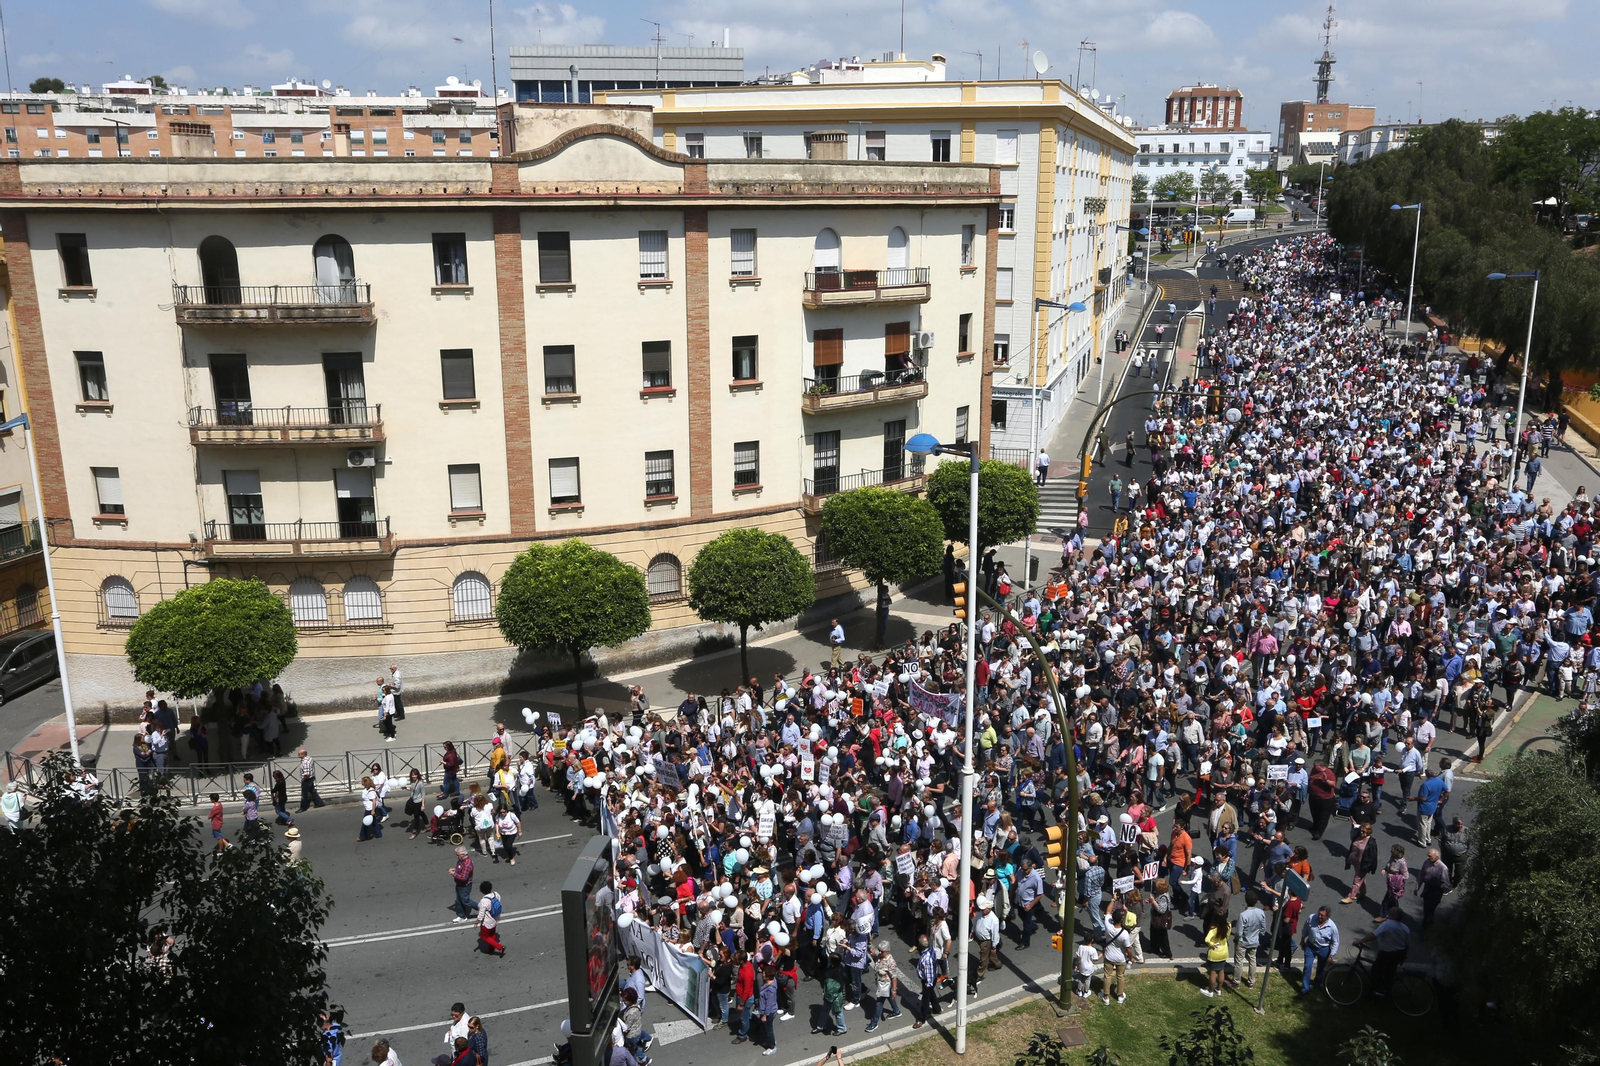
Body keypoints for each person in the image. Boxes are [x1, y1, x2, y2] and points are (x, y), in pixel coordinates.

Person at [1355, 907, 1410, 998]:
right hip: (1399, 954)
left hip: (1387, 955)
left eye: (1389, 913)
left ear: (1392, 916)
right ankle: (1386, 991)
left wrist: (1360, 941)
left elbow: (1373, 935)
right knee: (1389, 974)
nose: (1387, 915)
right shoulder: (1405, 928)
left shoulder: (1387, 925)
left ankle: (1375, 992)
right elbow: (1407, 943)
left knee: (1376, 972)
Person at [1298, 906, 1340, 995]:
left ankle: (1317, 984)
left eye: (1322, 915)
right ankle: (1305, 989)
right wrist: (1302, 940)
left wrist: (1331, 955)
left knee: (1320, 969)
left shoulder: (1332, 927)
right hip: (1310, 947)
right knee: (1307, 967)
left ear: (1327, 917)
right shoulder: (1311, 918)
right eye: (1319, 914)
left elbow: (1335, 942)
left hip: (1324, 949)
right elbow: (1305, 929)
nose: (1319, 916)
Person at [1235, 890, 1269, 987]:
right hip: (1254, 941)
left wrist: (1236, 939)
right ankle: (1251, 982)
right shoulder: (1261, 912)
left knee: (1239, 962)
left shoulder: (1243, 915)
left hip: (1243, 942)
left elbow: (1239, 932)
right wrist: (1258, 934)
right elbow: (1263, 928)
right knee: (1252, 961)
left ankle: (1236, 981)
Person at [912, 934, 940, 1028]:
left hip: (928, 980)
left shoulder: (926, 958)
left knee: (925, 1000)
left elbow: (929, 973)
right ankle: (936, 1009)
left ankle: (921, 1019)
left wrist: (928, 985)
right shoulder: (931, 950)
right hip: (933, 978)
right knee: (931, 993)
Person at [1101, 920, 1132, 1005]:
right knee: (1120, 976)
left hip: (1109, 957)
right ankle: (1120, 996)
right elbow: (1128, 948)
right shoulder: (1125, 933)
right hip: (1121, 958)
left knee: (1107, 975)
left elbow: (1108, 911)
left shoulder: (1108, 927)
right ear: (1121, 920)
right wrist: (1130, 957)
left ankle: (1106, 997)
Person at [1202, 916, 1231, 997]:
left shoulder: (1214, 930)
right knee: (1221, 971)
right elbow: (1227, 936)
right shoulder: (1228, 926)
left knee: (1213, 972)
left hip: (1215, 953)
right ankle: (1219, 989)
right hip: (1224, 952)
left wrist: (1212, 944)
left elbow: (1207, 939)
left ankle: (1210, 991)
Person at [477, 880, 506, 957]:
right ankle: (491, 950)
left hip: (487, 923)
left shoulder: (484, 901)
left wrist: (476, 922)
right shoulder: (496, 894)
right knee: (492, 934)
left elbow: (481, 915)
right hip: (495, 920)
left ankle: (500, 947)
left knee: (484, 936)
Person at [450, 847, 476, 923]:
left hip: (464, 886)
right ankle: (462, 916)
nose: (457, 856)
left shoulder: (467, 864)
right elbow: (461, 869)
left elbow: (464, 878)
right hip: (459, 884)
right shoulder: (462, 861)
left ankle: (482, 909)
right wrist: (455, 870)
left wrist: (454, 874)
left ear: (463, 854)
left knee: (466, 901)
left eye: (458, 855)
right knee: (459, 901)